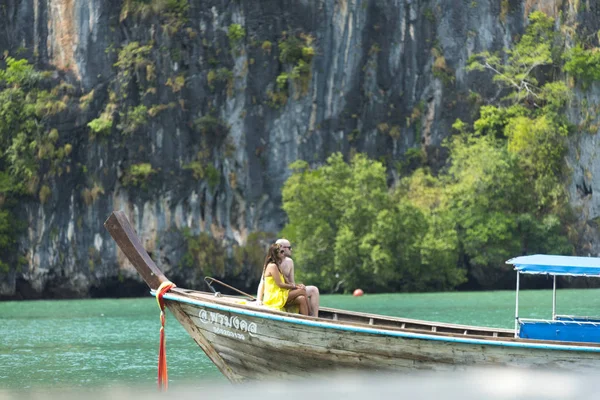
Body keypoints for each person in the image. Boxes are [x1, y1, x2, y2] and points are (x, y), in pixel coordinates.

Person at [257, 239, 320, 317]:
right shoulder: (272, 265)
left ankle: (307, 320)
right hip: (275, 295)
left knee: (302, 298)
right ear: (276, 252)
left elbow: (288, 281)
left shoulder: (283, 264)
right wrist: (259, 299)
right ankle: (311, 314)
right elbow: (271, 283)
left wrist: (297, 285)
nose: (291, 250)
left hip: (283, 292)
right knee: (302, 291)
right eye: (289, 248)